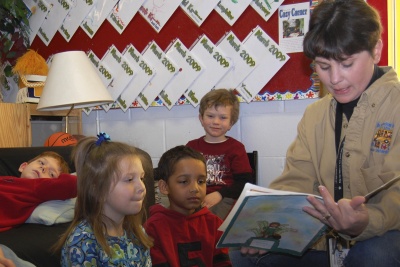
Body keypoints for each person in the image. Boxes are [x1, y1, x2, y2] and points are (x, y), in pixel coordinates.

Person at [229, 0, 400, 266]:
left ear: (376, 50)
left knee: (373, 255)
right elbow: (296, 182)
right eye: (323, 66)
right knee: (243, 250)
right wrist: (269, 228)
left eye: (346, 63)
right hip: (325, 239)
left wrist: (366, 220)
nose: (334, 79)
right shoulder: (315, 115)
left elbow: (396, 195)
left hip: (386, 234)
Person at [54, 133, 152, 266]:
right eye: (129, 179)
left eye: (141, 178)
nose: (141, 187)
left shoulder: (138, 232)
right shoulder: (83, 242)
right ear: (98, 189)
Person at [144, 145, 231, 267]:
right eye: (184, 181)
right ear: (164, 187)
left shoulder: (214, 224)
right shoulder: (153, 227)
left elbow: (223, 263)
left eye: (201, 181)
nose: (195, 189)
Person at [186, 89, 253, 219]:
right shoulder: (191, 147)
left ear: (231, 123)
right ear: (201, 118)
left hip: (225, 199)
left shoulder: (236, 148)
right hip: (195, 197)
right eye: (210, 116)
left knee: (210, 221)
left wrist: (220, 194)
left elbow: (245, 183)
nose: (216, 122)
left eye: (223, 117)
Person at [0, 151, 76, 232]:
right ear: (23, 166)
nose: (44, 168)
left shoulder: (37, 188)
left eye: (51, 174)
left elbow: (72, 183)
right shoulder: (7, 179)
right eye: (41, 163)